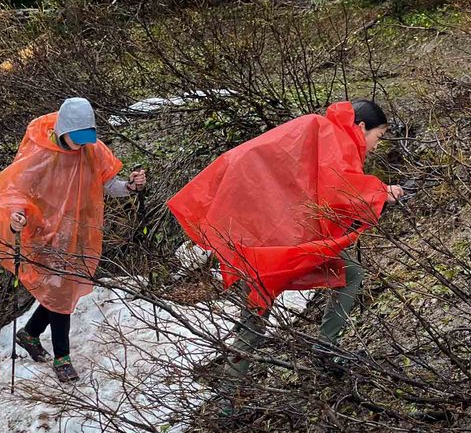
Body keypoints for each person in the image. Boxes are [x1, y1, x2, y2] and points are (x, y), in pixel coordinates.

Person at [168, 99, 402, 388]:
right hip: (277, 243)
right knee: (256, 317)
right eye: (378, 137)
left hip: (271, 238)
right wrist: (381, 192)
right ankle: (235, 395)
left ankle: (319, 354)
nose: (377, 146)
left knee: (341, 277)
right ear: (362, 126)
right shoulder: (332, 138)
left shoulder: (319, 130)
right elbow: (338, 190)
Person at [0, 97, 146, 384]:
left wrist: (130, 187)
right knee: (60, 291)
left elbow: (108, 184)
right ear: (63, 129)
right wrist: (17, 216)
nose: (81, 144)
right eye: (76, 138)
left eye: (85, 138)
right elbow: (17, 190)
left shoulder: (92, 149)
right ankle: (62, 358)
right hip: (44, 232)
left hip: (78, 230)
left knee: (62, 290)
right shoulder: (41, 153)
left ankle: (30, 334)